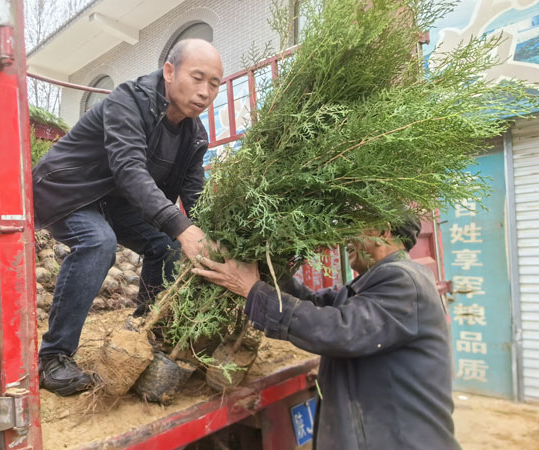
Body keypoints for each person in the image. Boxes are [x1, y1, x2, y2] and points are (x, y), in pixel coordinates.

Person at [32, 38, 223, 396]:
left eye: (214, 84)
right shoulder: (128, 101)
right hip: (67, 189)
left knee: (165, 247)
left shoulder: (195, 136)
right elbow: (130, 171)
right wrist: (182, 226)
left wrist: (211, 236)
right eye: (197, 78)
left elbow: (194, 195)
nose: (205, 91)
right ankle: (53, 358)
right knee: (98, 242)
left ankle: (143, 336)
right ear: (169, 71)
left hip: (115, 201)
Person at [192, 218, 461, 450]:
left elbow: (336, 329)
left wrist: (252, 289)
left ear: (383, 231)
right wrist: (268, 270)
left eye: (354, 228)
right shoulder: (375, 282)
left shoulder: (403, 281)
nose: (344, 239)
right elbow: (313, 303)